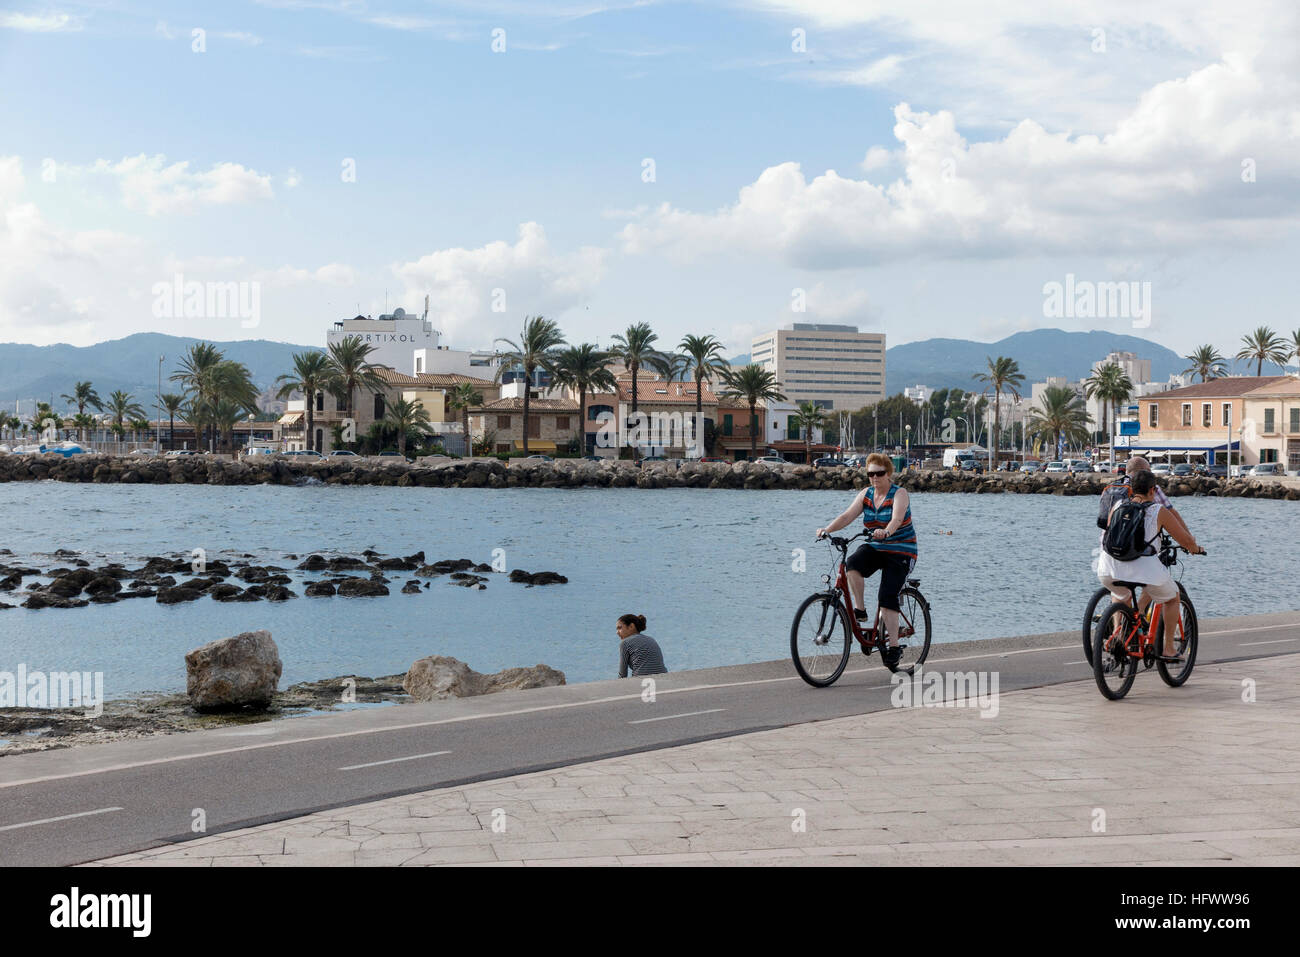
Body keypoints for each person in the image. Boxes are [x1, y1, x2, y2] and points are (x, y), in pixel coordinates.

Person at [815, 452, 917, 668]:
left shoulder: (899, 493)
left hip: (902, 551)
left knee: (887, 595)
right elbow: (847, 516)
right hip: (877, 547)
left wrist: (887, 531)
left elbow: (897, 518)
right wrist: (827, 529)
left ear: (888, 473)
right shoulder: (866, 494)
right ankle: (860, 611)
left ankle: (895, 647)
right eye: (871, 474)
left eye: (879, 473)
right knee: (852, 564)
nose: (875, 478)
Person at [1097, 469, 1204, 658]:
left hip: (1108, 567)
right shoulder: (1158, 510)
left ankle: (1119, 633)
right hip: (1143, 568)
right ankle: (1169, 648)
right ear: (1153, 490)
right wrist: (1196, 549)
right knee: (1172, 598)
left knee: (1120, 594)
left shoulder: (1118, 505)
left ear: (1131, 490)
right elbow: (1185, 540)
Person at [1095, 454, 1195, 622]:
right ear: (1145, 473)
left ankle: (1119, 628)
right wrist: (1190, 540)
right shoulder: (1149, 488)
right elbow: (1171, 513)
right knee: (1154, 573)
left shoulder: (1112, 488)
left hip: (1110, 547)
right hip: (1137, 546)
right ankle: (1140, 611)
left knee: (1120, 592)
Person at [616, 614, 666, 678]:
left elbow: (622, 675)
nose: (617, 632)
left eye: (620, 628)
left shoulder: (625, 643)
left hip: (641, 681)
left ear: (631, 626)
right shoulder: (651, 639)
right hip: (663, 678)